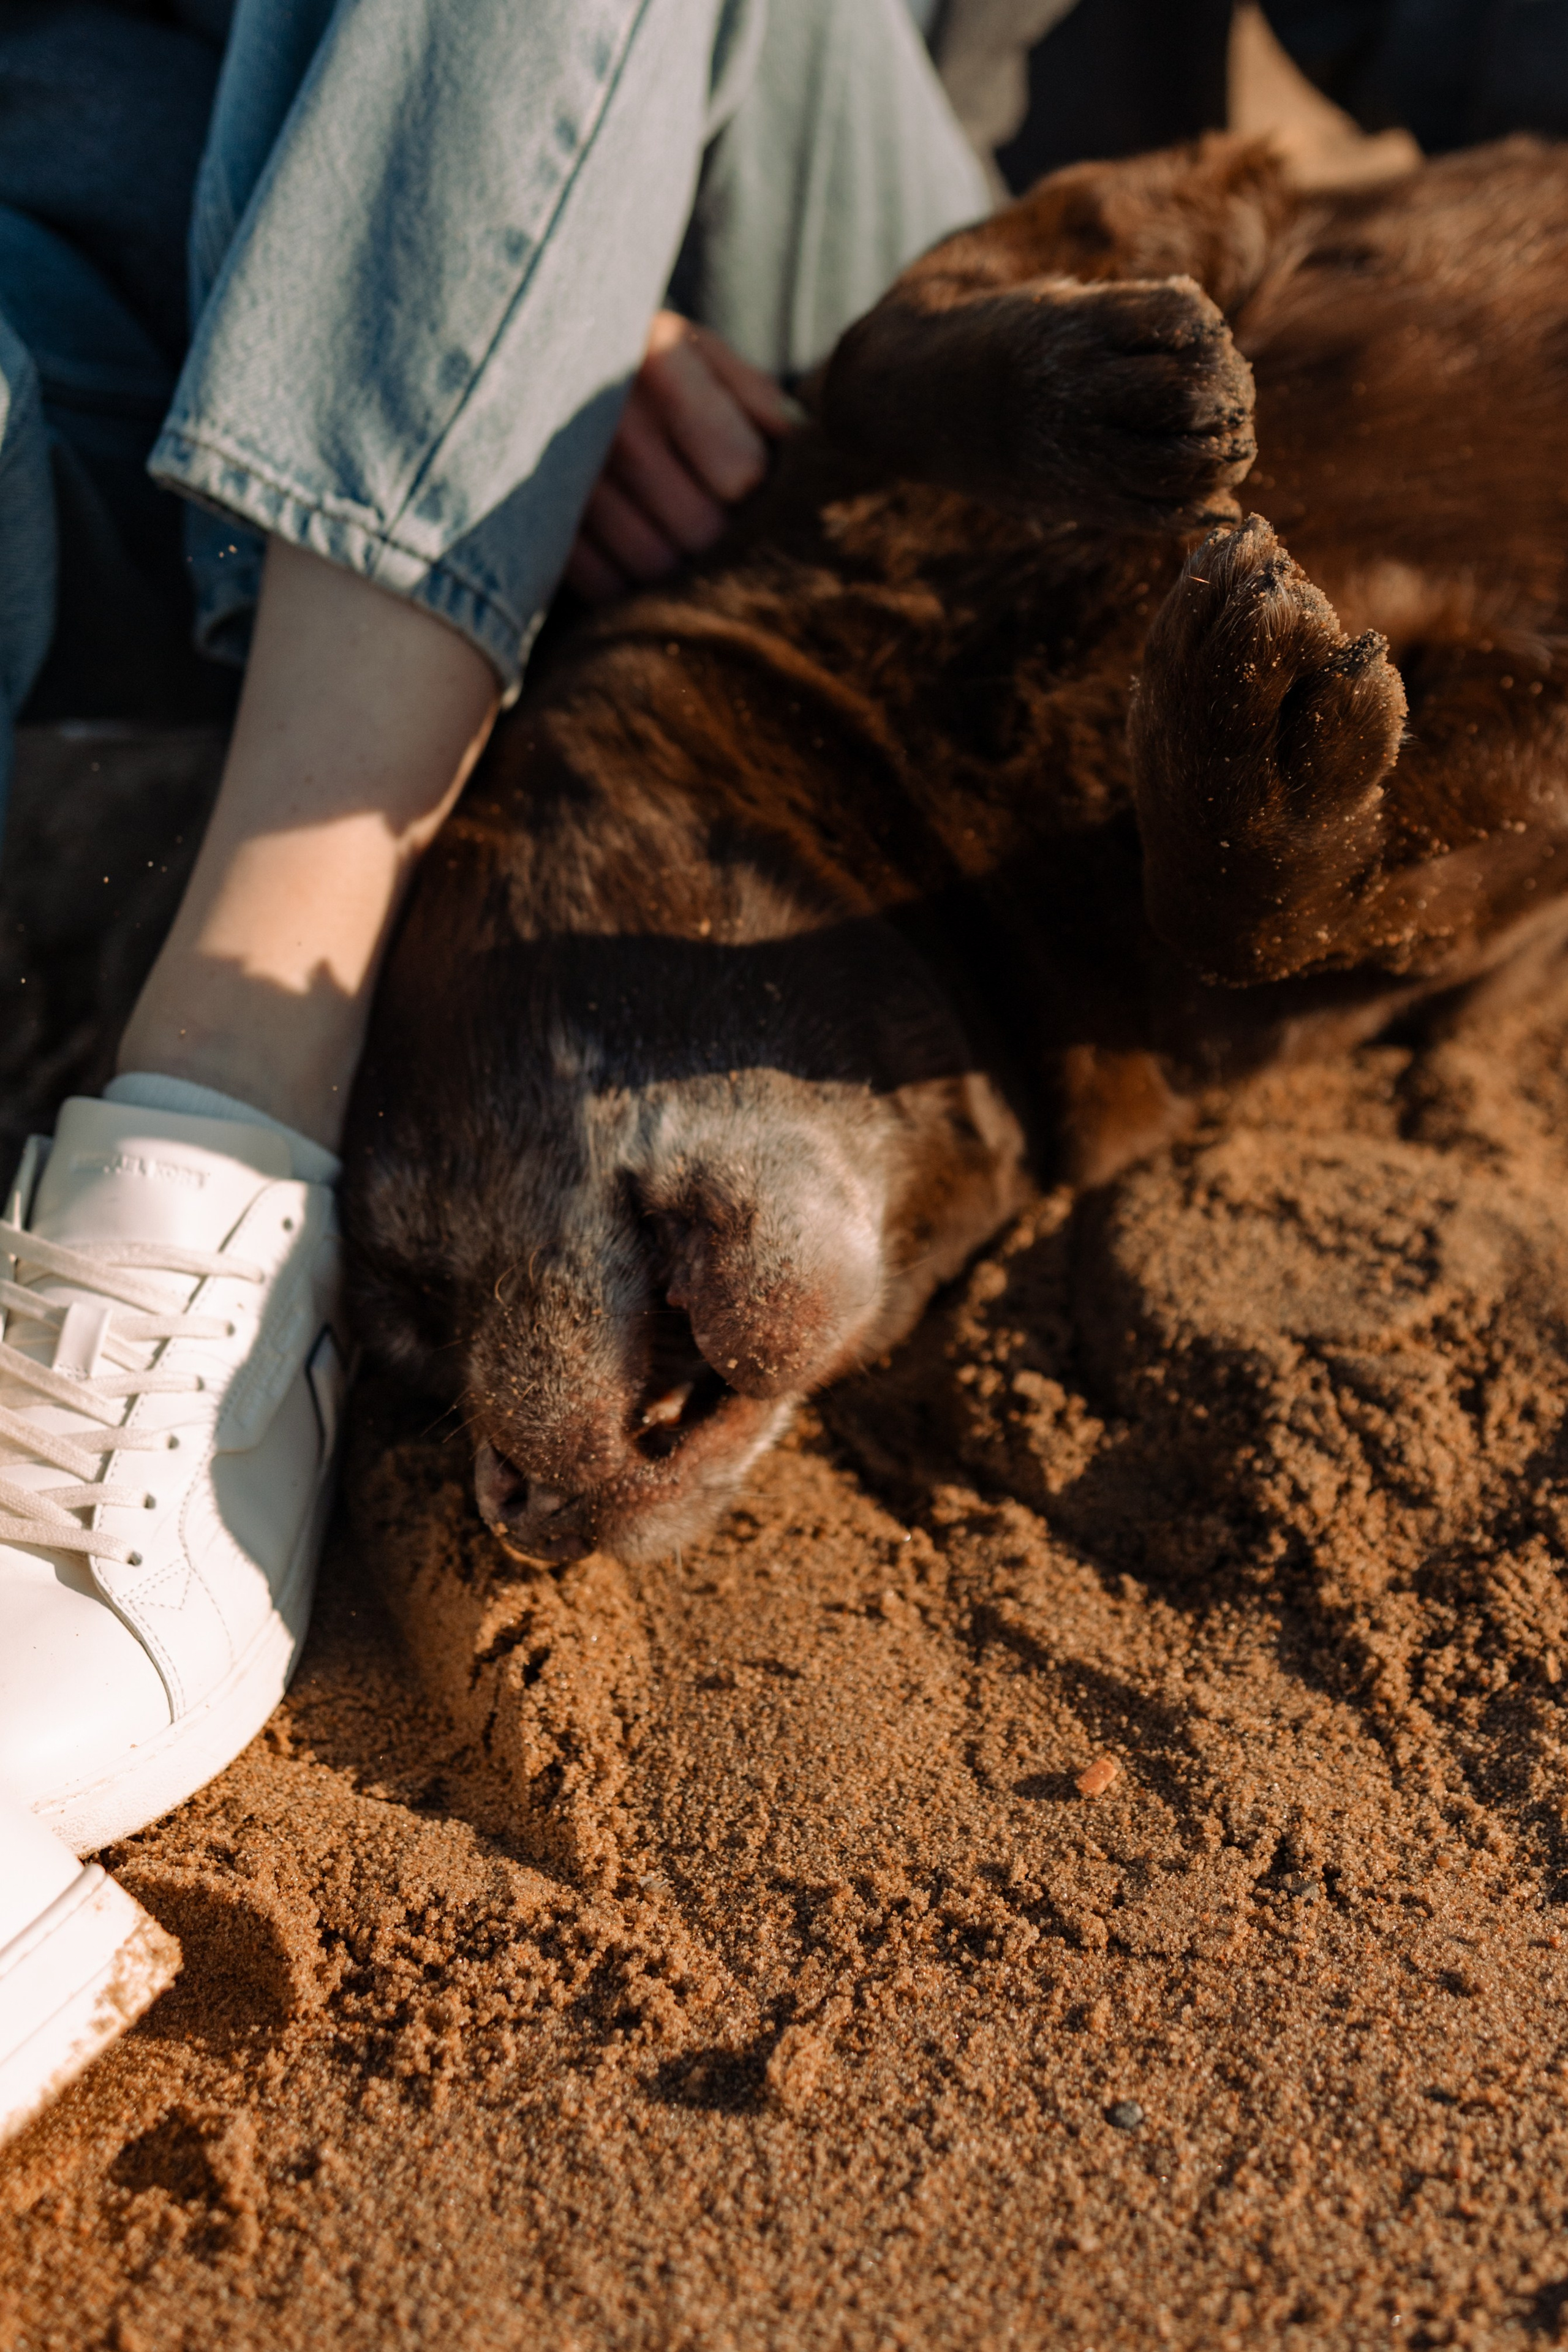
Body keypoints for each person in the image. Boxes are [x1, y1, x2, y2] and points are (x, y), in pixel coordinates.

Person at [0, 0, 990, 2143]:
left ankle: (231, 1067)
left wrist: (553, 227)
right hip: (183, 262)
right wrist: (521, 277)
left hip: (836, 319)